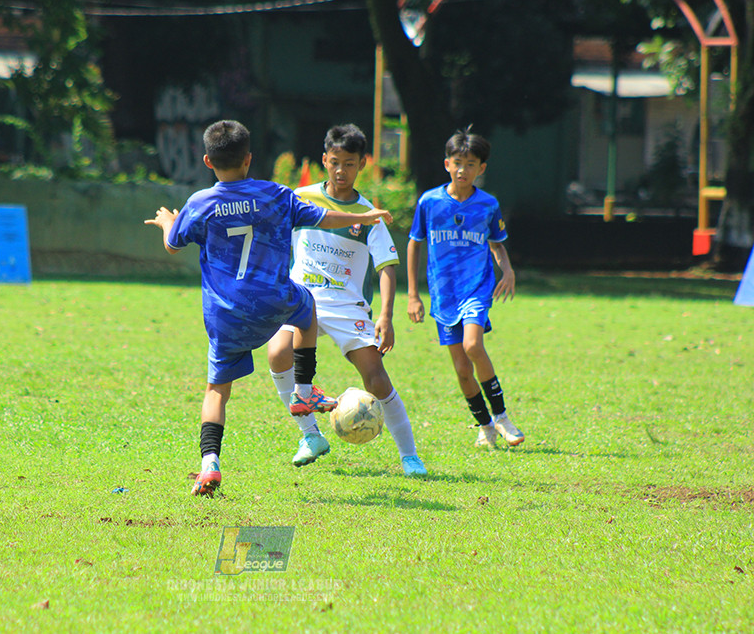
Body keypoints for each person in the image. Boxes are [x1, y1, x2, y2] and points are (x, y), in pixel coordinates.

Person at [145, 120, 392, 496]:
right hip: (275, 301)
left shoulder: (201, 203)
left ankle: (209, 463)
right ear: (248, 159)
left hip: (225, 314)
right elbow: (324, 216)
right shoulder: (275, 195)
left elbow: (173, 245)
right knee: (307, 307)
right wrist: (363, 217)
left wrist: (168, 222)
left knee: (216, 391)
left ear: (209, 161)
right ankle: (304, 389)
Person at [266, 124, 426, 477]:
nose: (341, 171)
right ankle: (311, 436)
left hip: (346, 307)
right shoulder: (301, 198)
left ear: (362, 165)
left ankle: (410, 455)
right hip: (302, 299)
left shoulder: (369, 215)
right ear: (324, 160)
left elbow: (386, 267)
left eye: (349, 164)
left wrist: (386, 315)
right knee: (277, 354)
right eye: (335, 162)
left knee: (375, 377)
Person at [405, 127, 525, 449]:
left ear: (481, 168)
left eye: (470, 164)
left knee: (473, 347)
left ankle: (501, 417)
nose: (463, 169)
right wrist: (413, 294)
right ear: (446, 164)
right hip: (444, 293)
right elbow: (415, 244)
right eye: (457, 162)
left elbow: (497, 244)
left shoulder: (487, 205)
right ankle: (484, 425)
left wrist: (508, 271)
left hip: (476, 287)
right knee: (461, 370)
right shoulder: (429, 202)